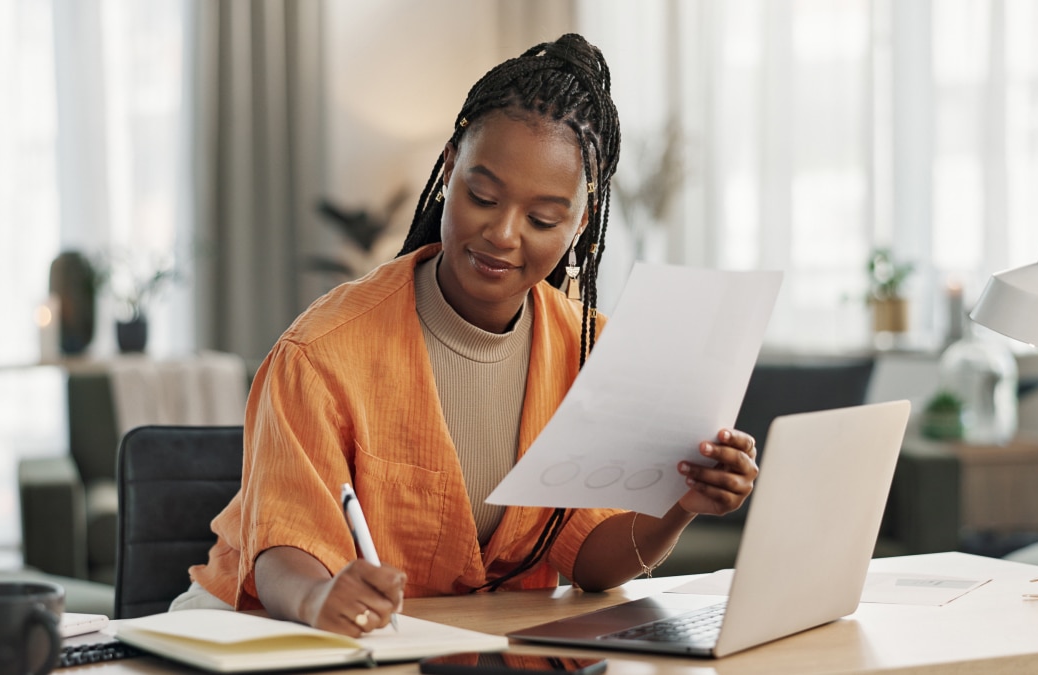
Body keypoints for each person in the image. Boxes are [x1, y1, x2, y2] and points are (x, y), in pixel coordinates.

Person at [174, 33, 758, 638]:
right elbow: (281, 554)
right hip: (266, 631)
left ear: (580, 223)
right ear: (450, 168)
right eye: (482, 197)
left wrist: (681, 504)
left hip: (455, 641)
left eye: (542, 219)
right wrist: (322, 596)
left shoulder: (590, 355)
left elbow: (591, 564)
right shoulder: (321, 352)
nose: (503, 235)